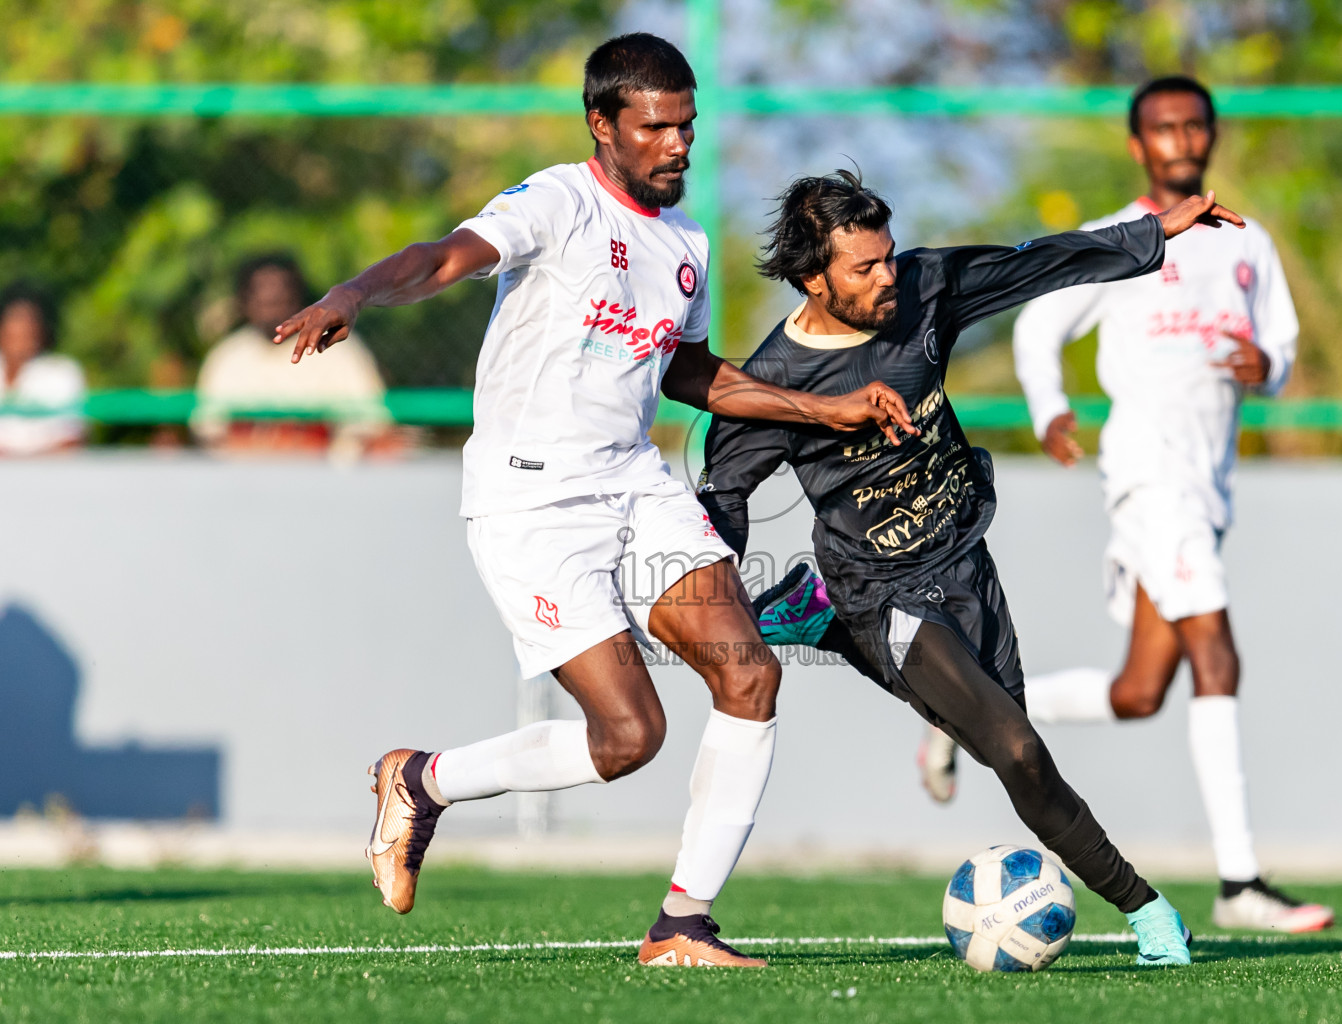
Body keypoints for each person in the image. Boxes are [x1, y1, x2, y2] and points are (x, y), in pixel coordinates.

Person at [274, 34, 914, 968]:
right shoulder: (554, 201)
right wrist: (357, 291)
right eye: (655, 127)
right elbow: (443, 257)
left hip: (633, 480)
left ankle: (682, 927)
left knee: (749, 676)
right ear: (602, 125)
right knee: (628, 738)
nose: (677, 145)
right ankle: (422, 780)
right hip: (532, 501)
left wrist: (826, 407)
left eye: (687, 126)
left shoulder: (687, 242)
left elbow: (690, 371)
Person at [701, 168, 1246, 966]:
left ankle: (812, 615)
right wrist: (708, 596)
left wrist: (1153, 233)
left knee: (1003, 747)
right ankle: (1149, 912)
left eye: (888, 257)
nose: (889, 275)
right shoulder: (776, 382)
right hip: (877, 585)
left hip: (963, 556)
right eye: (865, 268)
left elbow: (1037, 262)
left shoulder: (921, 287)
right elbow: (723, 494)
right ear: (812, 279)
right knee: (1019, 751)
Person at [998, 76, 1331, 932]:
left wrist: (1272, 367)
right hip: (1149, 475)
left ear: (1211, 136)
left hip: (1209, 480)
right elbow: (1040, 327)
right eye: (1163, 129)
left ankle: (974, 706)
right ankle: (1241, 883)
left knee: (1141, 689)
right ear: (1138, 145)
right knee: (1217, 654)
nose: (1181, 140)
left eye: (1194, 126)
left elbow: (1281, 344)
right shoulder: (1121, 238)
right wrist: (1049, 408)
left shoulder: (1248, 241)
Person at [193, 253, 394, 458]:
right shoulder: (227, 357)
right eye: (263, 301)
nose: (271, 309)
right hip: (246, 480)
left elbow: (371, 428)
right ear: (245, 302)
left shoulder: (336, 349)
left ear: (297, 297)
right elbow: (210, 434)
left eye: (279, 299)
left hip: (322, 478)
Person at [0, 284, 87, 456]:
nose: (22, 330)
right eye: (15, 320)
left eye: (29, 322)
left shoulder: (62, 372)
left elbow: (72, 439)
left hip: (47, 476)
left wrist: (24, 465)